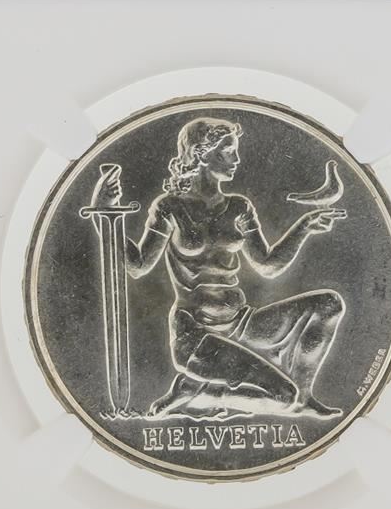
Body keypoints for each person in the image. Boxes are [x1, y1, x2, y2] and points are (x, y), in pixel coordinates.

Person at [92, 117, 348, 420]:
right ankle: (199, 393)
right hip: (197, 334)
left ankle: (304, 398)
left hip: (241, 324)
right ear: (201, 153)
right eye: (227, 151)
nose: (236, 159)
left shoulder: (239, 206)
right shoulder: (170, 207)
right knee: (282, 397)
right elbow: (137, 266)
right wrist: (103, 213)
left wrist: (303, 227)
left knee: (329, 304)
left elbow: (267, 266)